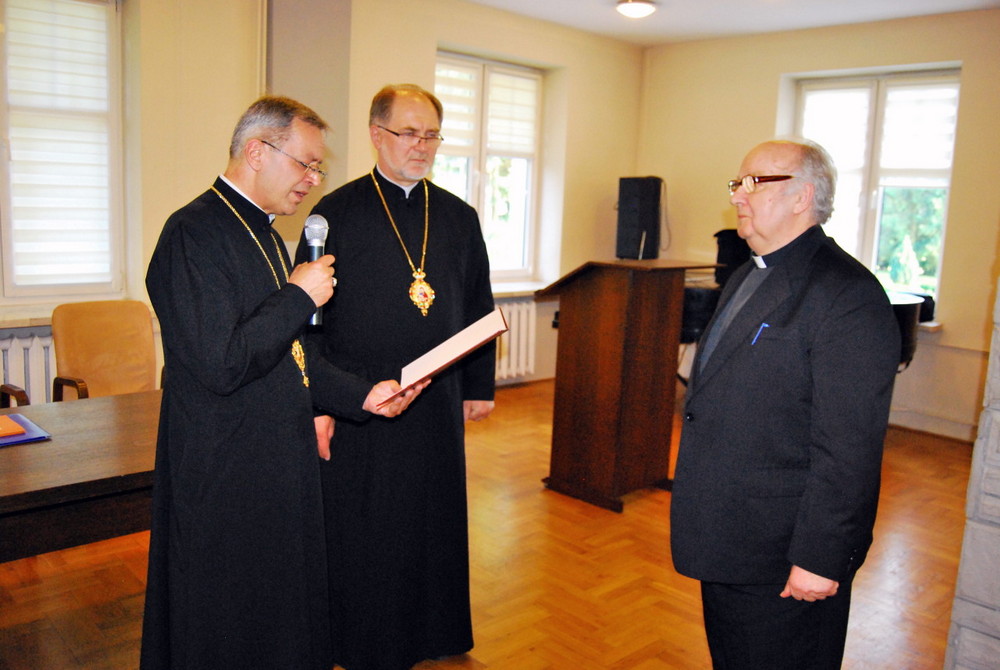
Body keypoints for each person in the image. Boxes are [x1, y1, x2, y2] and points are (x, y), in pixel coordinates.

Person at [140, 96, 423, 670]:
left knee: (276, 612)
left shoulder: (267, 234)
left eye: (318, 168)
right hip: (224, 471)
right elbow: (221, 363)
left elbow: (292, 354)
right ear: (256, 152)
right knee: (229, 619)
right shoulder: (192, 234)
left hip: (275, 459)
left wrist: (363, 396)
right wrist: (298, 295)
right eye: (306, 164)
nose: (314, 180)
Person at [669, 139, 901, 669]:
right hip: (729, 535)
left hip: (784, 555)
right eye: (737, 182)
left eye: (755, 182)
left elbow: (849, 448)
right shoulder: (749, 273)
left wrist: (821, 557)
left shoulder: (847, 294)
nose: (738, 196)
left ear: (803, 197)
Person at [295, 84, 496, 670]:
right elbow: (307, 320)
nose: (422, 145)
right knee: (368, 525)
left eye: (431, 134)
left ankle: (434, 630)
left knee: (432, 518)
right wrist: (320, 404)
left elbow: (479, 305)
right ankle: (364, 640)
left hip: (438, 398)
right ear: (376, 135)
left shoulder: (458, 216)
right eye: (409, 132)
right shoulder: (334, 215)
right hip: (361, 400)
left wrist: (478, 386)